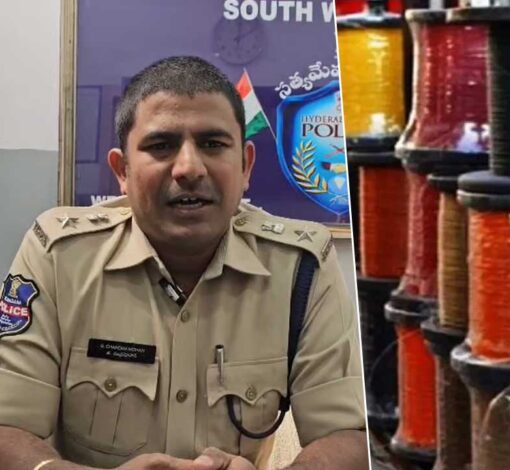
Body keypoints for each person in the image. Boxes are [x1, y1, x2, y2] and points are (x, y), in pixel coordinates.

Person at [0, 56, 368, 470]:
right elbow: (8, 427)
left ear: (245, 165)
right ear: (122, 171)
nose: (189, 168)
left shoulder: (302, 267)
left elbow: (348, 435)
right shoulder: (57, 256)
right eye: (161, 145)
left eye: (213, 144)